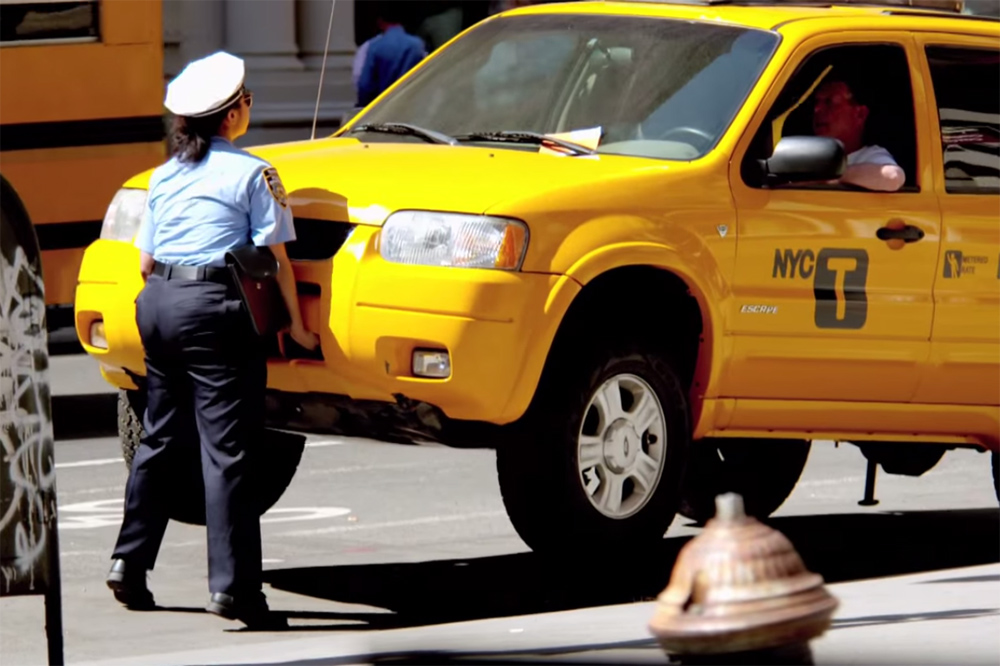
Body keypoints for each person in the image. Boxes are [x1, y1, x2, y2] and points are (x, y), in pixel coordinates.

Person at [104, 51, 319, 630]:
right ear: (230, 115)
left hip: (159, 307)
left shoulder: (165, 175)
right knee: (227, 454)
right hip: (214, 312)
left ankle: (129, 561)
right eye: (247, 101)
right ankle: (235, 591)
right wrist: (297, 329)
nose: (250, 108)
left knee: (159, 438)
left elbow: (146, 262)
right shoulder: (253, 173)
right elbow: (278, 261)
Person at [811, 75, 906, 192]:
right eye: (816, 102)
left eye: (829, 102)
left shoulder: (870, 156)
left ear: (860, 114)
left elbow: (893, 177)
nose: (817, 109)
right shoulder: (806, 156)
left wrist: (832, 177)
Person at [356, 2, 427, 106]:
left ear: (380, 22)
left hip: (384, 106)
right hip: (410, 104)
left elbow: (365, 85)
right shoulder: (417, 45)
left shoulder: (375, 46)